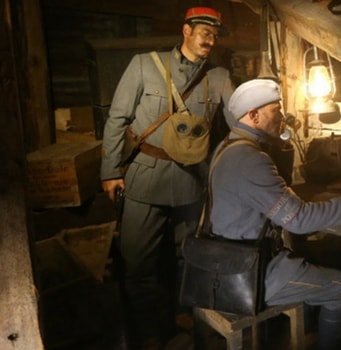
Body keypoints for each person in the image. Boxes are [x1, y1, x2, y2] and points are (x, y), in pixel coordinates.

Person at [100, 7, 234, 349]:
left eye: (215, 34)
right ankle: (147, 333)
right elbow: (117, 120)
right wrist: (111, 171)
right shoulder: (146, 64)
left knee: (187, 258)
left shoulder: (218, 77)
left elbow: (238, 124)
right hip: (146, 180)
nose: (210, 39)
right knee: (138, 264)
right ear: (186, 30)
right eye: (204, 31)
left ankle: (183, 320)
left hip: (192, 183)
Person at [208, 79, 341, 350]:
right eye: (275, 110)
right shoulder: (249, 158)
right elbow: (300, 221)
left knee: (308, 259)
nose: (282, 117)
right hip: (248, 271)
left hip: (224, 260)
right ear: (254, 115)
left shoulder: (227, 146)